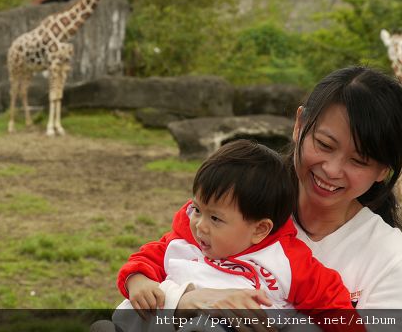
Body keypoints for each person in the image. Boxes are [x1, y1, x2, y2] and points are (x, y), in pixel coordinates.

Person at [117, 66, 402, 314]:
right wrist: (185, 300)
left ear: (383, 170)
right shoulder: (238, 201)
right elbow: (146, 283)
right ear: (299, 124)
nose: (332, 169)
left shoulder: (390, 259)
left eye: (358, 161)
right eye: (325, 145)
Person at [109, 140, 359, 332]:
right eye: (197, 209)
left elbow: (330, 298)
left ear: (259, 229)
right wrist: (137, 280)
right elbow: (148, 257)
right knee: (137, 310)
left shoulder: (286, 259)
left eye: (215, 218)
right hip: (172, 316)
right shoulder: (185, 239)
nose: (200, 226)